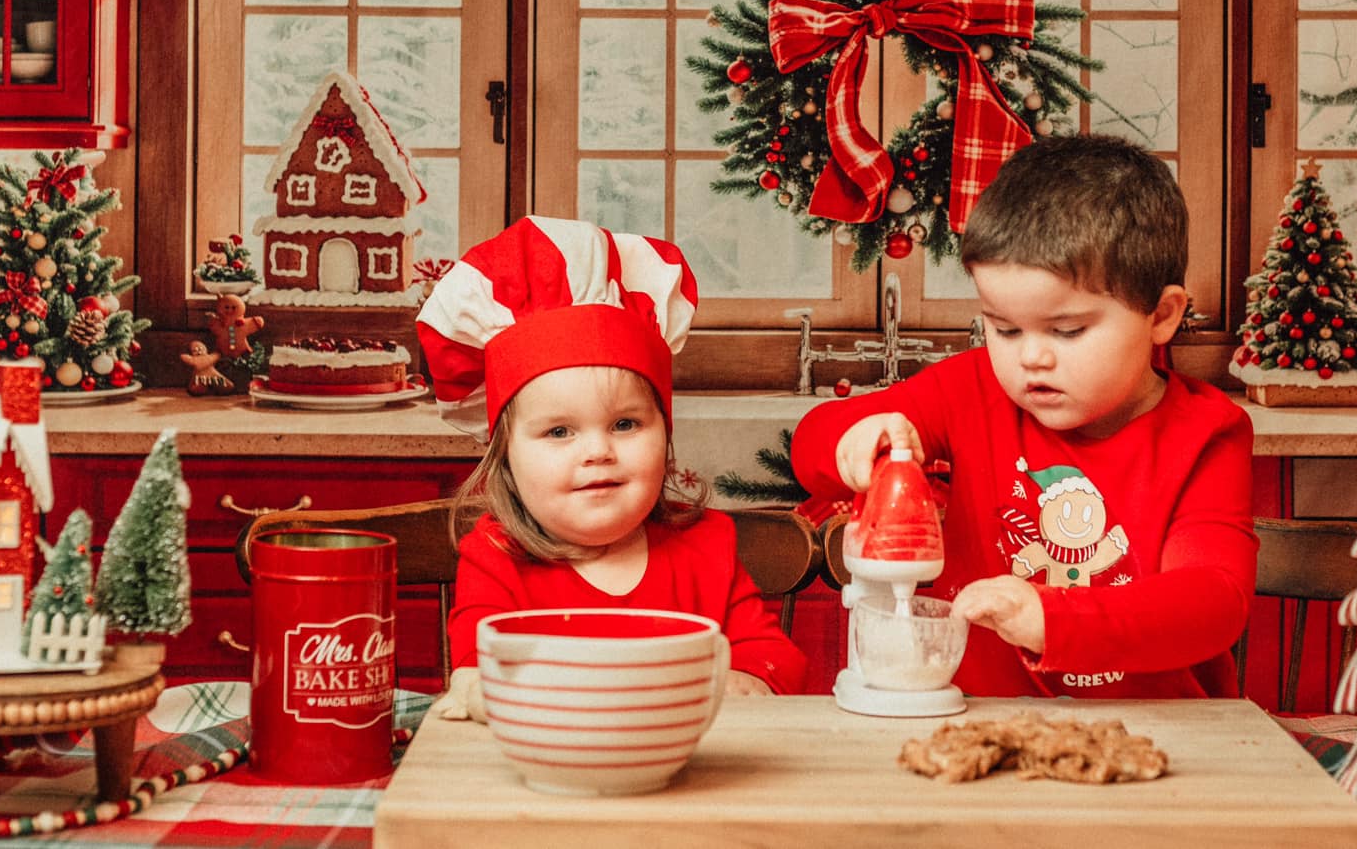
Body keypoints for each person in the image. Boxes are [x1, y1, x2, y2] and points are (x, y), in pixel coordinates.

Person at [792, 134, 1256, 699]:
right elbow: (814, 442)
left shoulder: (1206, 434)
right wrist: (855, 442)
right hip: (986, 727)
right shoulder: (969, 390)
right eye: (1004, 328)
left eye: (1067, 330)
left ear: (1161, 315)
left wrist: (1055, 619)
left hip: (1160, 743)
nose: (1030, 356)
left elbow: (1212, 601)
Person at [419, 217, 807, 718]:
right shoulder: (495, 558)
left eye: (625, 424)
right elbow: (481, 667)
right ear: (505, 457)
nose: (598, 451)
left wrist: (749, 678)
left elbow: (776, 660)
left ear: (665, 434)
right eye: (559, 432)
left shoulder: (708, 545)